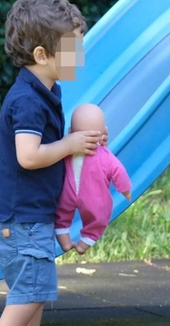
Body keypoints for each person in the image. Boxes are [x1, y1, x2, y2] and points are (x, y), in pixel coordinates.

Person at [0, 0, 103, 326]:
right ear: (42, 54)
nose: (80, 57)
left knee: (34, 297)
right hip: (20, 221)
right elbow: (28, 156)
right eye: (73, 50)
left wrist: (84, 143)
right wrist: (69, 144)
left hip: (28, 218)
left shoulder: (44, 92)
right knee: (32, 294)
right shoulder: (28, 101)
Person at [54, 103, 132, 254]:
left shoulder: (69, 150)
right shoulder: (102, 155)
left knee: (70, 215)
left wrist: (125, 188)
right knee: (94, 217)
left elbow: (117, 171)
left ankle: (73, 243)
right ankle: (74, 243)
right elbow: (119, 170)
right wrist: (126, 190)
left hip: (79, 194)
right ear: (103, 132)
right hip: (84, 195)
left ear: (70, 132)